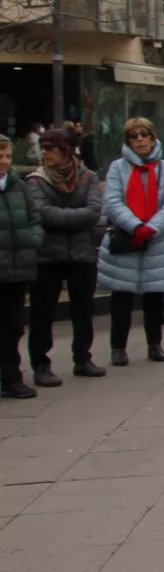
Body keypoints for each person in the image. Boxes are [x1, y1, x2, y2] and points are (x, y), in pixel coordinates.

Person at [98, 117, 164, 367]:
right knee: (121, 297)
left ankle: (154, 344)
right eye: (134, 136)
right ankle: (118, 348)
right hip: (127, 239)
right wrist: (134, 226)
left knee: (154, 298)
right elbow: (112, 202)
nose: (140, 139)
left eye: (144, 134)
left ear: (153, 137)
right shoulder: (117, 168)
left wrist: (151, 228)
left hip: (158, 240)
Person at [26, 128, 104, 382]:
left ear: (66, 150)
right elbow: (42, 213)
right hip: (47, 256)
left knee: (83, 309)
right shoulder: (35, 180)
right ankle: (41, 364)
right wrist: (76, 218)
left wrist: (62, 218)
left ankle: (83, 358)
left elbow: (94, 211)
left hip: (82, 254)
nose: (45, 153)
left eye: (51, 148)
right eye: (44, 148)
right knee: (43, 312)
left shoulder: (87, 176)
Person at [0, 134, 44, 398]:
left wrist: (33, 239)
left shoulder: (18, 186)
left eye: (6, 156)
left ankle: (11, 378)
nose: (4, 161)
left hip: (18, 267)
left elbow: (34, 217)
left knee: (13, 326)